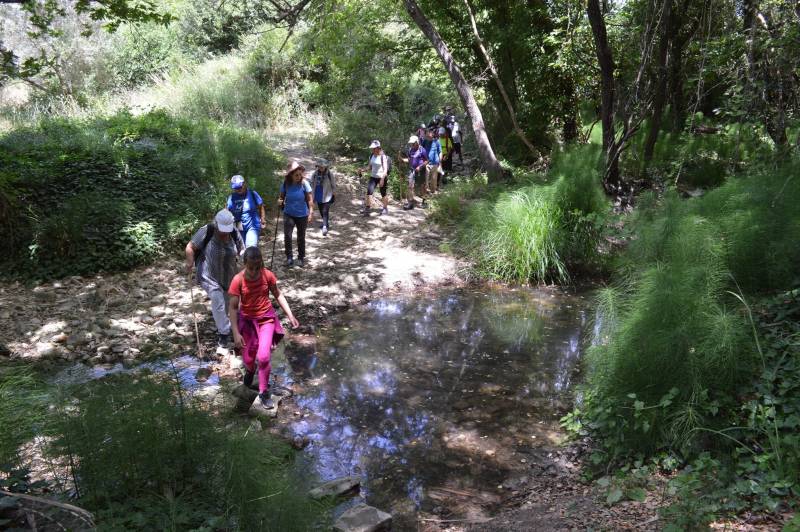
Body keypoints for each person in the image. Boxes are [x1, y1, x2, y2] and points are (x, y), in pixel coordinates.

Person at [229, 246, 300, 408]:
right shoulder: (237, 280)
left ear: (261, 263)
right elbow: (232, 308)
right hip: (247, 322)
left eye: (257, 267)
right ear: (244, 264)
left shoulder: (267, 275)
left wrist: (290, 315)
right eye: (251, 267)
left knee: (264, 357)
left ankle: (263, 391)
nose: (254, 271)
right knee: (248, 358)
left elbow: (278, 294)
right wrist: (235, 332)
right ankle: (249, 370)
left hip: (266, 320)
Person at [185, 209, 245, 350]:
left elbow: (242, 249)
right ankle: (224, 334)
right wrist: (189, 263)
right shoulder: (207, 230)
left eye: (227, 230)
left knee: (228, 303)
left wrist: (245, 261)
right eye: (222, 230)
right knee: (217, 299)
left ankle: (229, 325)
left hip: (229, 274)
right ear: (216, 224)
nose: (224, 233)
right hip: (208, 273)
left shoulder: (234, 232)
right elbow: (190, 247)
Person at [279, 161, 313, 267]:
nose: (299, 176)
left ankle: (301, 257)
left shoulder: (304, 183)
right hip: (288, 213)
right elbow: (281, 197)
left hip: (302, 214)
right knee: (287, 236)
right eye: (296, 175)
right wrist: (279, 201)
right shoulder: (286, 184)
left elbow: (310, 199)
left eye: (300, 174)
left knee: (301, 237)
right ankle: (289, 257)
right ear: (291, 175)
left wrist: (310, 212)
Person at [226, 174, 266, 249]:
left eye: (240, 187)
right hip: (239, 227)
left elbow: (261, 206)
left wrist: (263, 219)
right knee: (244, 251)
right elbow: (227, 211)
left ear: (244, 184)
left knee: (250, 247)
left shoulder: (252, 193)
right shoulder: (231, 198)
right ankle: (257, 259)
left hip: (253, 225)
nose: (238, 189)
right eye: (236, 188)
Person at [360, 140, 390, 216]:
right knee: (369, 192)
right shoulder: (371, 155)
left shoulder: (383, 157)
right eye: (372, 148)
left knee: (383, 193)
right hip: (373, 177)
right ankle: (367, 209)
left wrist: (382, 179)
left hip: (381, 177)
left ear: (378, 148)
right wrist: (362, 170)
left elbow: (385, 169)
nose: (372, 149)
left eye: (374, 148)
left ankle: (385, 209)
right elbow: (370, 166)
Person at [401, 135, 428, 210]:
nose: (412, 145)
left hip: (421, 171)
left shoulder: (422, 150)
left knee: (422, 186)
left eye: (413, 143)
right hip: (412, 170)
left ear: (417, 142)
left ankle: (424, 201)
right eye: (411, 143)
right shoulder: (410, 150)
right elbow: (409, 160)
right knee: (410, 186)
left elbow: (426, 161)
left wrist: (420, 167)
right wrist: (402, 160)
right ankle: (410, 203)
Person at [311, 158, 336, 236]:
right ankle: (326, 223)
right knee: (321, 210)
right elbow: (311, 182)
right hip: (318, 193)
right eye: (319, 166)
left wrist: (334, 194)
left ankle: (324, 227)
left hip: (327, 194)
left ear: (326, 167)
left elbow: (333, 184)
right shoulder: (315, 173)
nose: (321, 168)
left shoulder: (329, 174)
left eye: (322, 167)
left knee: (325, 211)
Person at [426, 129, 442, 195]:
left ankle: (433, 192)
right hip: (427, 163)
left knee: (434, 179)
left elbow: (440, 151)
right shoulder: (425, 141)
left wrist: (440, 162)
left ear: (432, 136)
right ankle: (426, 192)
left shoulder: (437, 142)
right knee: (426, 179)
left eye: (430, 136)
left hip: (435, 163)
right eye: (427, 136)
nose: (428, 138)